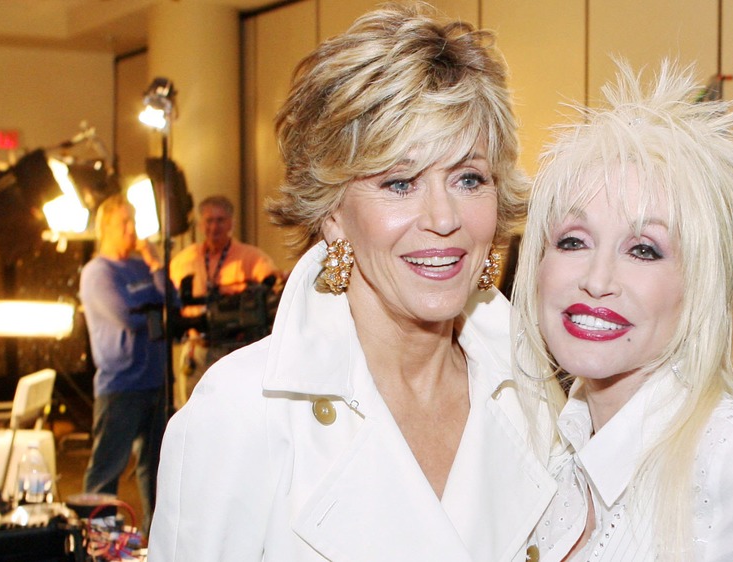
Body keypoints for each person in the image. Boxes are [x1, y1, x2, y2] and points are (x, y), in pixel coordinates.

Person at [150, 4, 555, 561]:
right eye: (399, 182)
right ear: (333, 212)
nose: (443, 218)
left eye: (468, 177)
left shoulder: (536, 393)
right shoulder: (240, 414)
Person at [512, 61, 733, 561]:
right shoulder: (558, 452)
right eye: (573, 240)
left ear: (698, 286)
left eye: (644, 250)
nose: (597, 279)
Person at [79, 193, 169, 532]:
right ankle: (98, 541)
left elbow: (170, 303)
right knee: (108, 468)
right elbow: (126, 315)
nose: (132, 230)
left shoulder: (140, 264)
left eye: (134, 222)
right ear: (106, 228)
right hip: (121, 386)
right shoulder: (97, 272)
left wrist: (158, 266)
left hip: (154, 381)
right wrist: (152, 303)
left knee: (155, 468)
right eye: (124, 223)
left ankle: (156, 539)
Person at [168, 195, 281, 408]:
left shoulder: (251, 257)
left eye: (220, 220)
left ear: (231, 223)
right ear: (201, 224)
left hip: (233, 350)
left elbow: (271, 283)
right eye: (209, 221)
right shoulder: (184, 260)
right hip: (196, 350)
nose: (214, 227)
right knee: (192, 414)